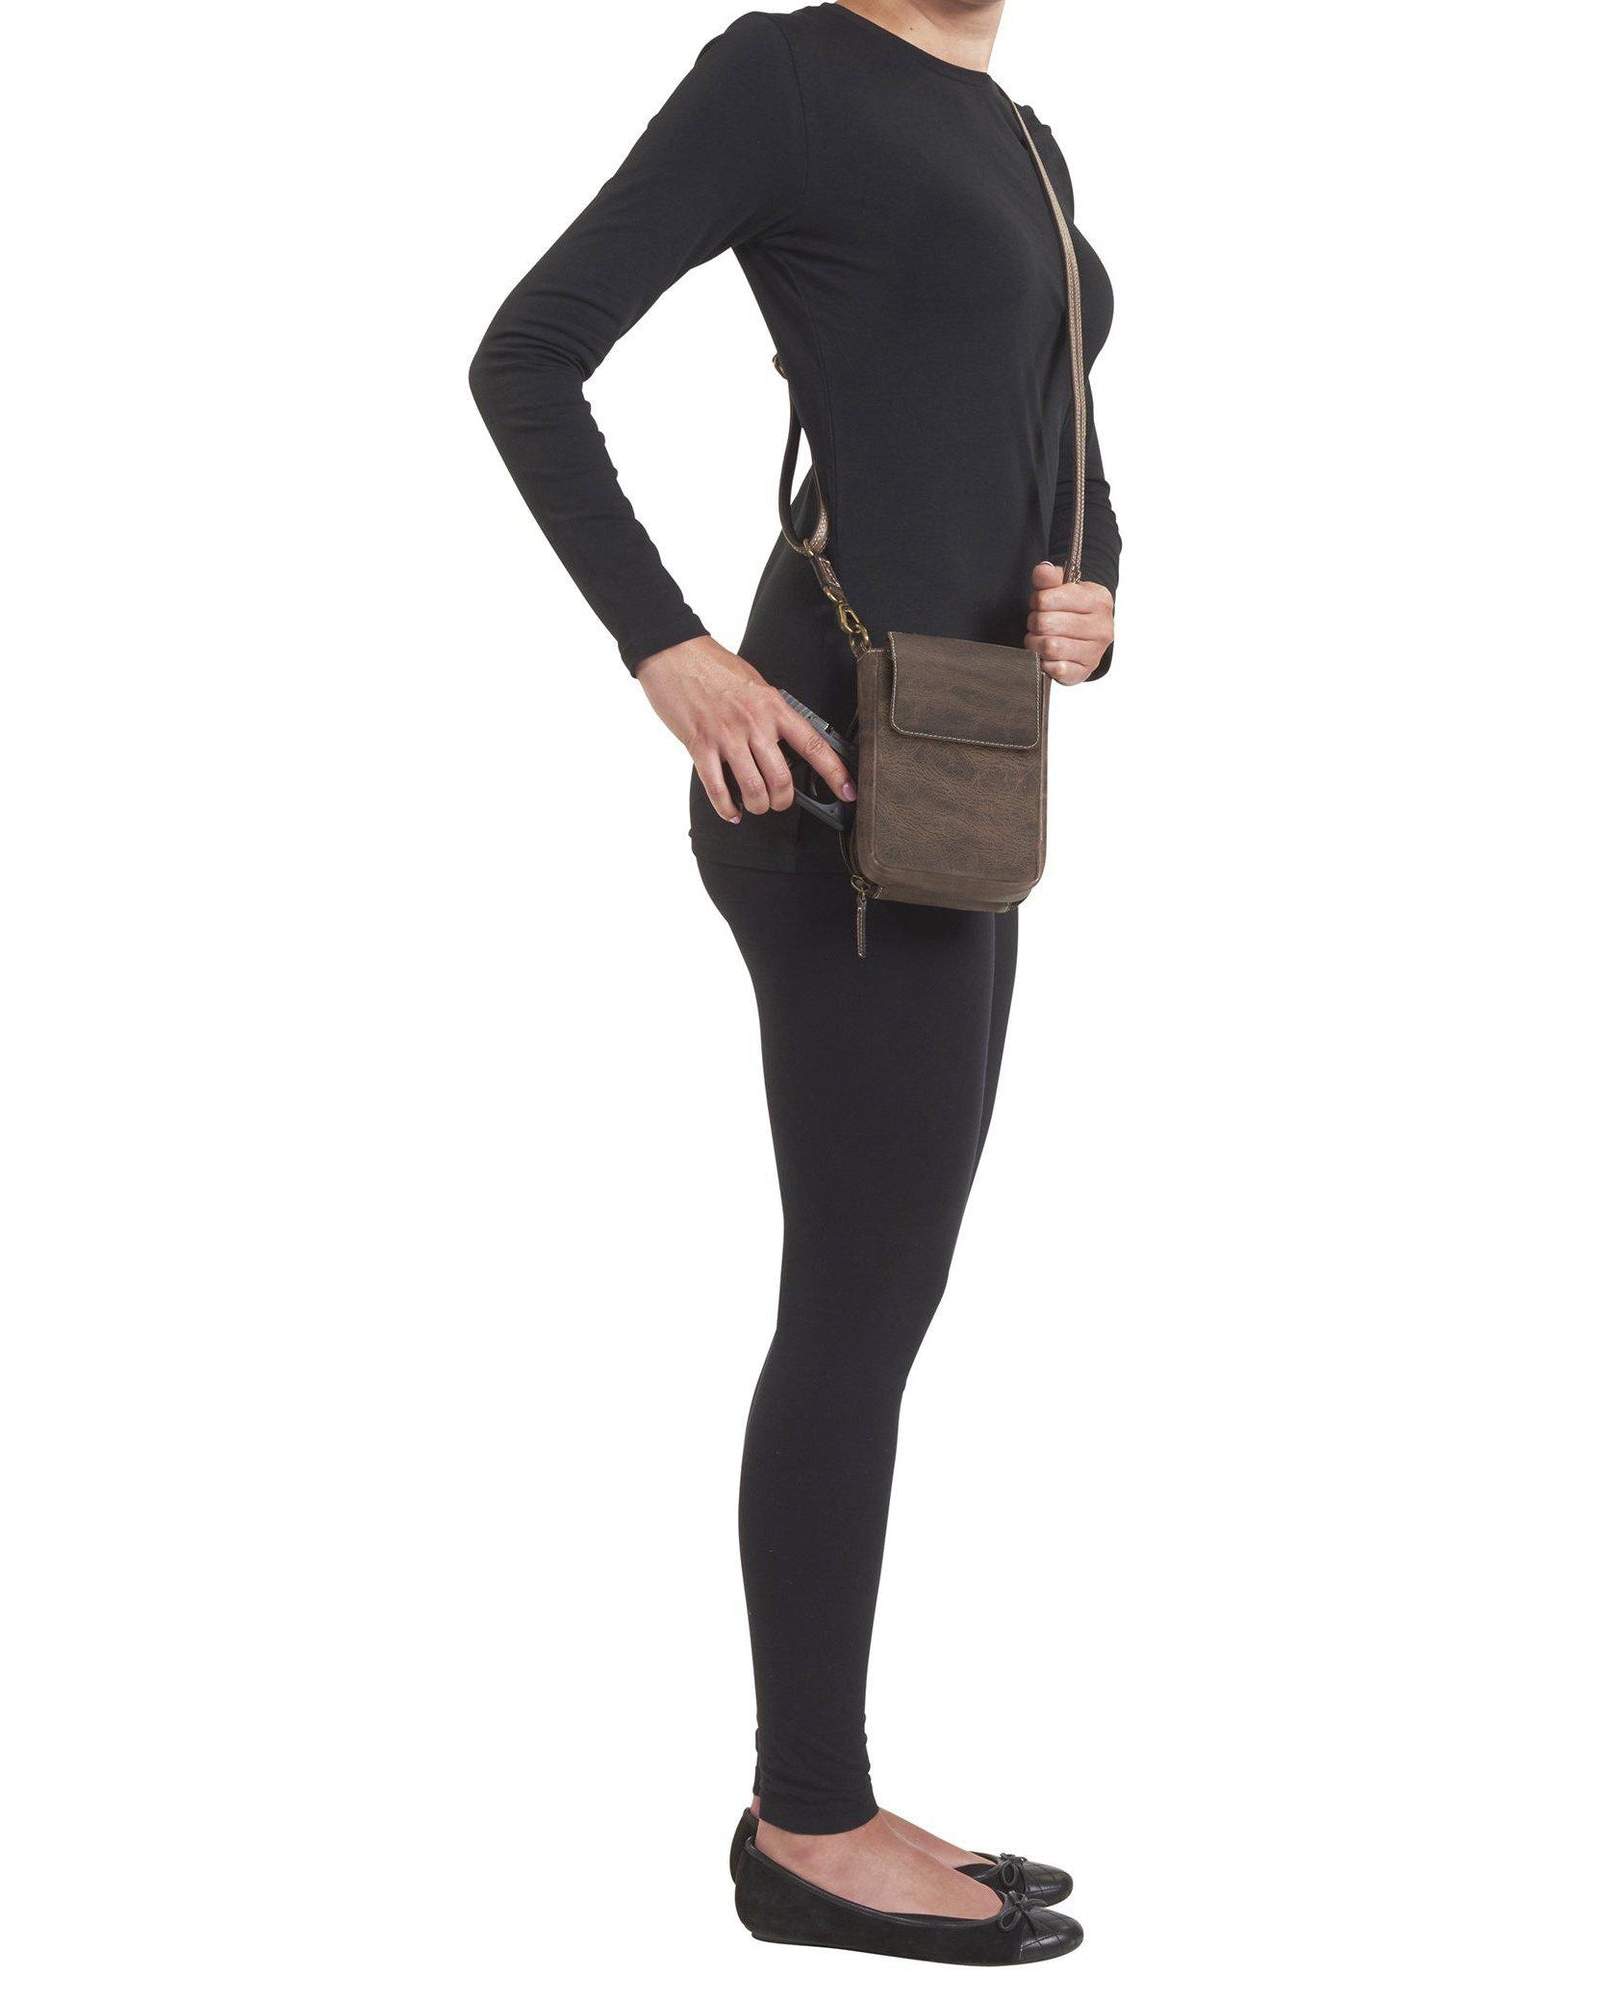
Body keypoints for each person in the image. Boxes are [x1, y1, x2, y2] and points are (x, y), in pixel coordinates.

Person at [469, 1, 1119, 1965]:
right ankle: (806, 1824)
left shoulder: (1019, 133)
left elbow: (1050, 433)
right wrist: (666, 648)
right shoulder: (790, 72)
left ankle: (825, 1788)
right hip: (823, 763)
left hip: (965, 759)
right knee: (854, 1302)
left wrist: (1094, 596)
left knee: (882, 1295)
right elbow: (528, 354)